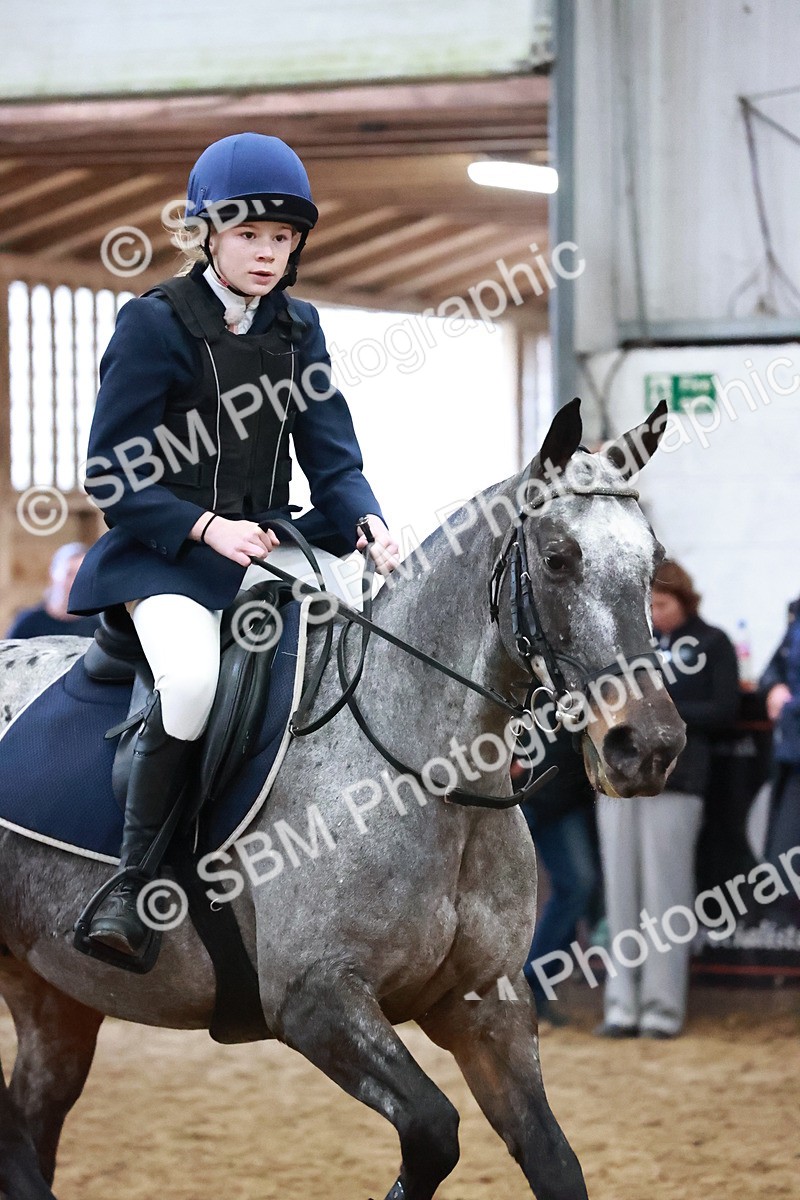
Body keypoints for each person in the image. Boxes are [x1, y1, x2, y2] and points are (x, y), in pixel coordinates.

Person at [68, 132, 400, 959]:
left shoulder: (300, 328)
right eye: (250, 236)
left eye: (282, 240)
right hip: (166, 553)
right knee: (189, 682)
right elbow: (111, 472)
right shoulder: (152, 325)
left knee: (369, 633)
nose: (267, 254)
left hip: (267, 541)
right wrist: (203, 525)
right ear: (208, 235)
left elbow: (332, 451)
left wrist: (367, 522)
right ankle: (135, 885)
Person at [595, 560, 738, 1038]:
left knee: (666, 902)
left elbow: (724, 708)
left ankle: (661, 1008)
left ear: (684, 600)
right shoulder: (632, 646)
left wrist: (662, 711)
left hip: (678, 783)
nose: (655, 613)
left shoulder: (713, 643)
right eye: (649, 605)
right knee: (620, 898)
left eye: (662, 603)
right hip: (620, 780)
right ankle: (621, 1006)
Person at [520, 722, 599, 1027]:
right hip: (513, 795)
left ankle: (530, 988)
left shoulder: (580, 679)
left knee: (578, 885)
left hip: (563, 799)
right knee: (495, 893)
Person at [759, 595, 800, 927]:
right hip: (793, 757)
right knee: (785, 864)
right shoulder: (797, 613)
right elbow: (771, 671)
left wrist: (791, 706)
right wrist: (774, 687)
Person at [5, 543, 99, 639]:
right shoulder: (27, 624)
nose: (74, 583)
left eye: (81, 575)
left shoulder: (98, 628)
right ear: (53, 574)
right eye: (69, 574)